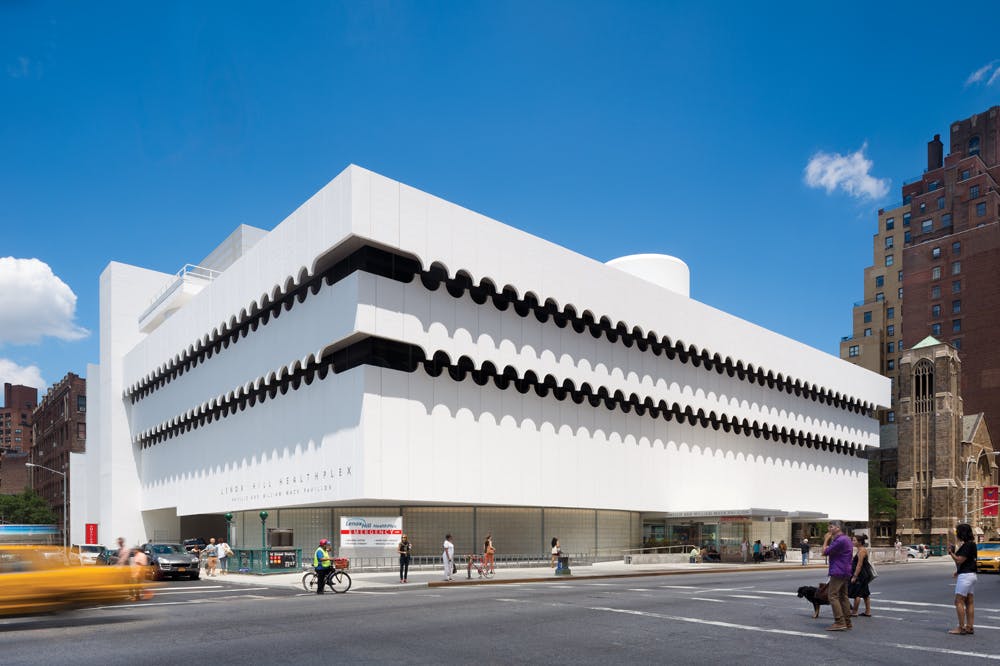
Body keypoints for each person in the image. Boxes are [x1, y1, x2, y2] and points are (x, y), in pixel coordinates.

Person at [822, 520, 853, 631]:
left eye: (831, 527)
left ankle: (839, 621)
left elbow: (824, 552)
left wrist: (826, 539)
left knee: (833, 596)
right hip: (845, 570)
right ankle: (847, 622)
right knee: (843, 596)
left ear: (838, 528)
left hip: (838, 570)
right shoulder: (846, 539)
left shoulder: (839, 540)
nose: (829, 529)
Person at [948, 523, 978, 635]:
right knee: (969, 601)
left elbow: (959, 560)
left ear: (962, 533)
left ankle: (961, 627)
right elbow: (968, 561)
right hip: (971, 575)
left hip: (966, 576)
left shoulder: (967, 545)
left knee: (958, 601)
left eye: (957, 532)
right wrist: (958, 571)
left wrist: (951, 553)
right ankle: (970, 627)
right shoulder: (972, 544)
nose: (956, 534)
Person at [849, 534, 872, 617]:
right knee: (865, 594)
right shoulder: (861, 550)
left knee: (857, 594)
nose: (852, 542)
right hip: (864, 574)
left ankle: (854, 612)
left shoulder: (861, 551)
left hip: (860, 575)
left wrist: (855, 576)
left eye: (854, 540)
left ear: (859, 542)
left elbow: (859, 565)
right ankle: (868, 612)